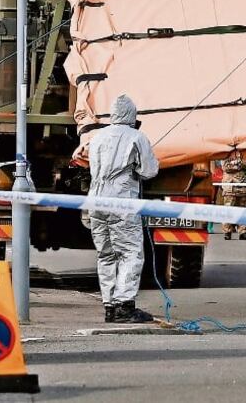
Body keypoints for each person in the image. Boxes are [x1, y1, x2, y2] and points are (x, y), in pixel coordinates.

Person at [87, 94, 160, 323]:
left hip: (95, 201)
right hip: (121, 203)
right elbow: (149, 171)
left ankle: (109, 306)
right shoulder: (137, 137)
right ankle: (124, 307)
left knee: (106, 255)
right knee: (130, 254)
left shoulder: (97, 138)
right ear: (132, 115)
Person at [218, 154, 246, 240]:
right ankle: (227, 231)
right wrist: (240, 163)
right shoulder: (226, 153)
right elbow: (226, 167)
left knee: (243, 210)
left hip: (242, 185)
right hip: (230, 186)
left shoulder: (244, 152)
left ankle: (243, 231)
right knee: (228, 209)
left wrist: (235, 163)